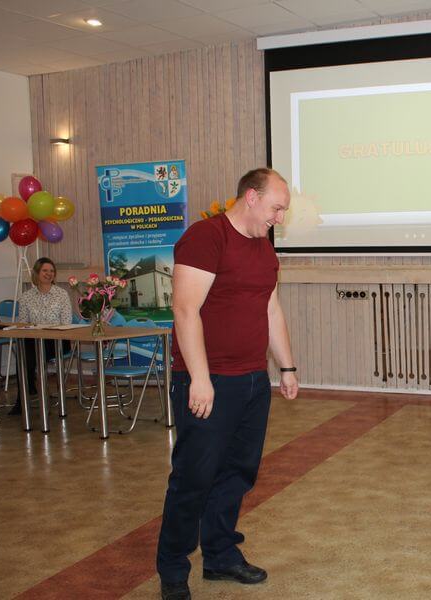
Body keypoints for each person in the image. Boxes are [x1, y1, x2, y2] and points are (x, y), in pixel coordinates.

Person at [156, 168, 300, 600]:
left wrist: (287, 367)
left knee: (238, 473)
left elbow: (270, 308)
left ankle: (220, 555)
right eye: (277, 208)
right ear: (251, 197)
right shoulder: (206, 237)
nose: (279, 218)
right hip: (209, 380)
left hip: (253, 380)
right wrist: (200, 378)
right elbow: (185, 310)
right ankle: (173, 569)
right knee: (194, 477)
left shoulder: (264, 248)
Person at [11, 257, 72, 414]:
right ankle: (24, 396)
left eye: (52, 271)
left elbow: (66, 322)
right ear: (37, 273)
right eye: (45, 270)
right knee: (24, 351)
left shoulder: (62, 294)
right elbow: (23, 323)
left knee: (29, 354)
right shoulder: (26, 296)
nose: (49, 274)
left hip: (57, 340)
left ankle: (26, 395)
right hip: (34, 339)